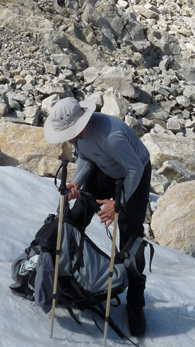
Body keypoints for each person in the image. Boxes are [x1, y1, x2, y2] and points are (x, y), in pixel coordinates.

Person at [44, 96, 151, 337]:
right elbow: (86, 157)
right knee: (77, 215)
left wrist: (118, 203)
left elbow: (135, 168)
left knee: (131, 237)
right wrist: (76, 182)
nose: (67, 138)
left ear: (80, 124)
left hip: (134, 173)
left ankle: (135, 302)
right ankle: (67, 273)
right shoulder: (79, 136)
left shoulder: (110, 137)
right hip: (104, 169)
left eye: (69, 133)